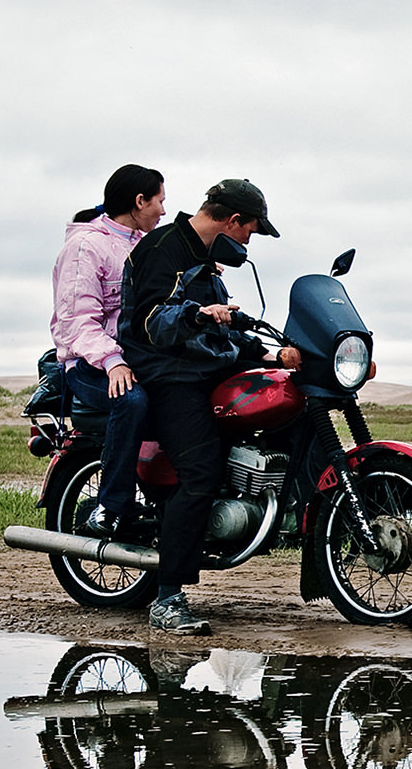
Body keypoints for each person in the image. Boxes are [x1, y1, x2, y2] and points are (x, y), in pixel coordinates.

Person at [116, 178, 300, 636]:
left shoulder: (206, 263)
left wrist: (277, 355)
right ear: (232, 220)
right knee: (200, 470)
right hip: (169, 374)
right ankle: (168, 597)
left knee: (287, 408)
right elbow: (153, 321)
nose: (247, 242)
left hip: (204, 368)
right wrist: (198, 314)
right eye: (250, 231)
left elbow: (225, 334)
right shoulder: (163, 248)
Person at [51, 164, 164, 533]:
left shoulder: (149, 246)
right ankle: (110, 507)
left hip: (138, 359)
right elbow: (77, 321)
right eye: (159, 202)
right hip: (89, 364)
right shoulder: (86, 246)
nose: (162, 211)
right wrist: (112, 361)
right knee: (132, 401)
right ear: (138, 201)